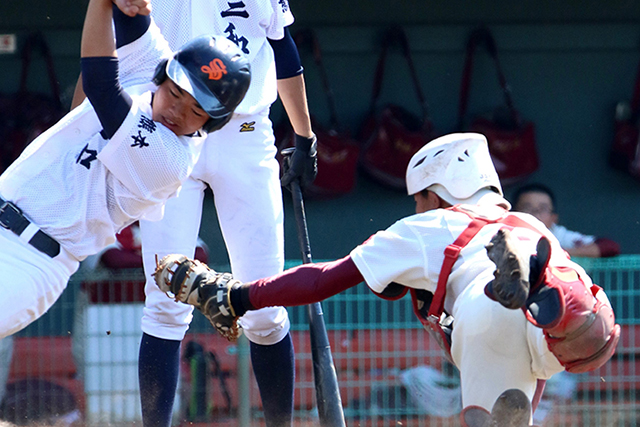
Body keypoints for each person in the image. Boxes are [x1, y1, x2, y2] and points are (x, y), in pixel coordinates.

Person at [154, 133, 621, 427]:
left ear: (438, 194)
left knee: (491, 336)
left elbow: (324, 278)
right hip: (554, 301)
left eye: (419, 198)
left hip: (483, 311)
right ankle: (568, 311)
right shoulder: (531, 223)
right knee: (565, 335)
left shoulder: (425, 227)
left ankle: (532, 296)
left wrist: (239, 295)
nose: (414, 207)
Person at [0, 0, 251, 340]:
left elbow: (101, 85)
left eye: (196, 110)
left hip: (29, 260)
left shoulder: (171, 159)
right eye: (175, 92)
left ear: (213, 122)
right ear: (165, 76)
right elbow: (131, 19)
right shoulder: (153, 69)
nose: (176, 110)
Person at [133, 1, 317, 426]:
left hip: (246, 131)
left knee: (267, 303)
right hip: (171, 129)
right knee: (163, 303)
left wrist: (304, 135)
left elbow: (282, 46)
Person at [511, 183, 620, 258]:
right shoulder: (504, 232)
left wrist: (559, 253)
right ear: (513, 213)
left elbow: (611, 247)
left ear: (554, 218)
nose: (535, 214)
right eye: (527, 208)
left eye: (543, 209)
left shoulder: (558, 235)